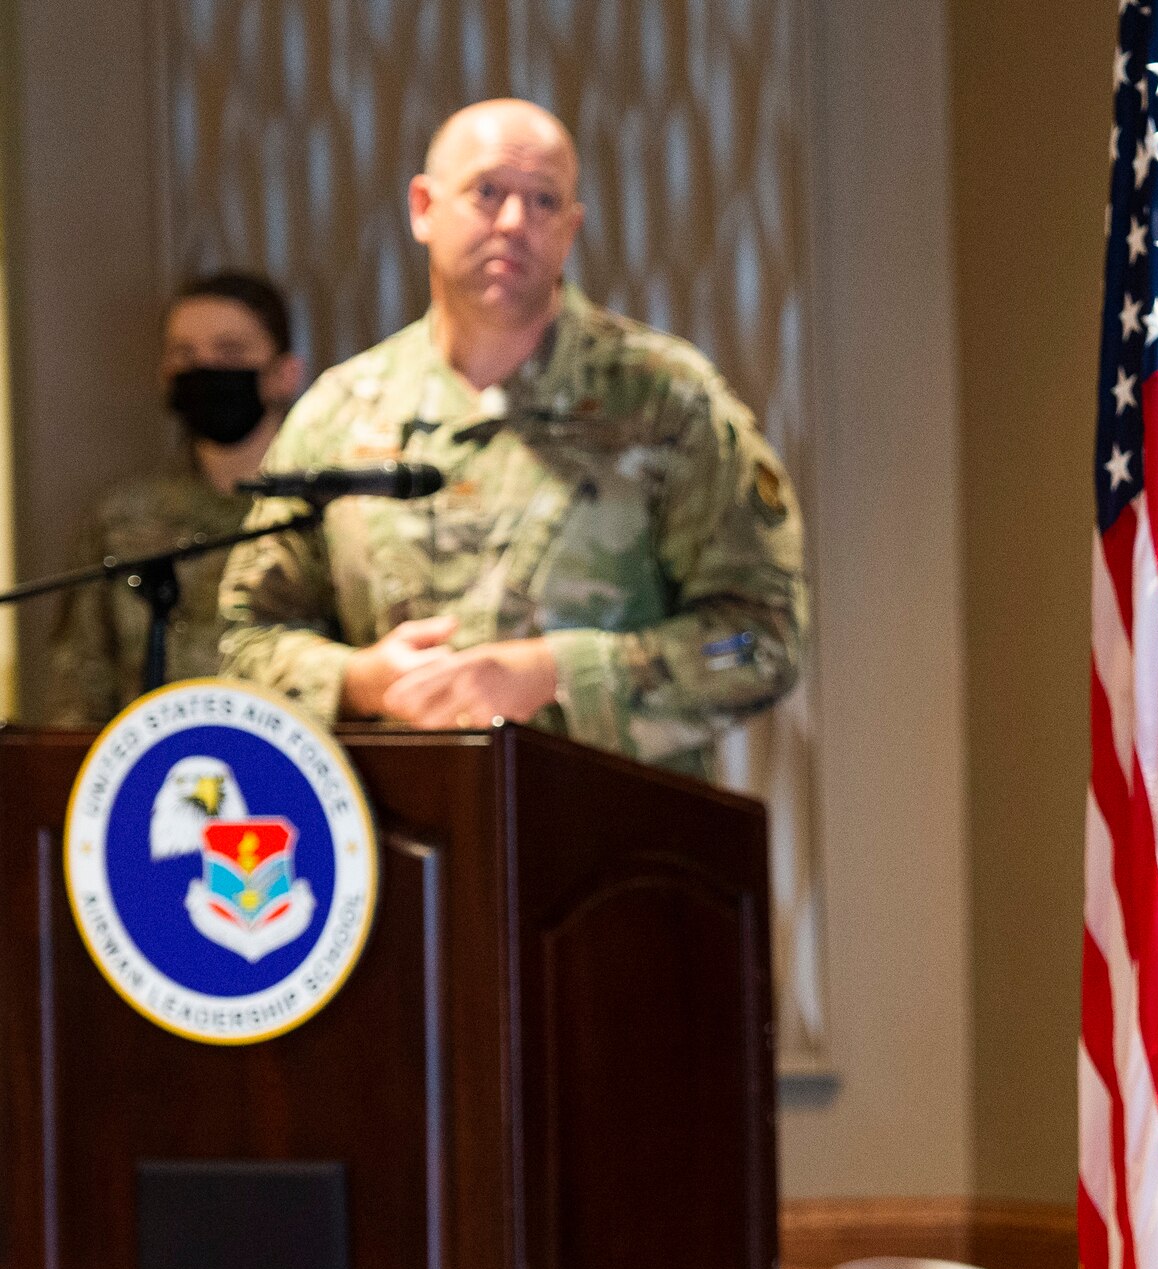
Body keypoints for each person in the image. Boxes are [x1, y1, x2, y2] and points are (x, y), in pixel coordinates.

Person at [218, 98, 805, 780]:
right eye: (487, 192)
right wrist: (359, 681)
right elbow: (245, 638)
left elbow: (760, 640)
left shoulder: (666, 401)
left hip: (612, 840)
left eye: (543, 201)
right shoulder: (340, 415)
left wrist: (559, 674)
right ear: (423, 208)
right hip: (399, 842)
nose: (513, 223)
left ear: (572, 229)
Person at [48, 272, 303, 724]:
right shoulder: (122, 517)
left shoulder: (320, 508)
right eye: (184, 354)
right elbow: (80, 681)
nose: (203, 368)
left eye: (229, 352)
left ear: (284, 374)